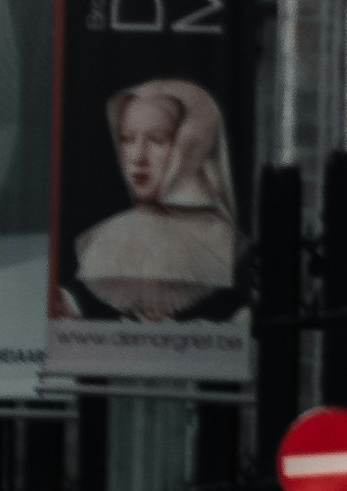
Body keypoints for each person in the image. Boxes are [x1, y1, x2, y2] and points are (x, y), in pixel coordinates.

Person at [65, 75, 241, 322]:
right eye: (127, 139)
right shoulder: (97, 241)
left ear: (190, 148)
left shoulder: (223, 243)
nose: (138, 157)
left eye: (157, 140)